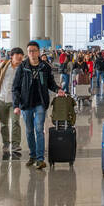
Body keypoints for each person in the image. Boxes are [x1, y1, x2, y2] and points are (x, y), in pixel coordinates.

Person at [13, 40, 63, 169]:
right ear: (27, 52)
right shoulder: (22, 67)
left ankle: (40, 159)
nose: (32, 53)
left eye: (34, 51)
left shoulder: (45, 67)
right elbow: (16, 87)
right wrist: (16, 105)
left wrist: (58, 89)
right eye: (29, 51)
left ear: (39, 52)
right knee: (29, 131)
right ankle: (33, 155)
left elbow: (50, 83)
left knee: (39, 130)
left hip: (40, 102)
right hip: (25, 103)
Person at [0, 48, 24, 158]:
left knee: (15, 122)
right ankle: (6, 143)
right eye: (17, 55)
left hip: (15, 101)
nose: (19, 57)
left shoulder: (23, 68)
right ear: (11, 56)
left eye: (21, 55)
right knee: (4, 124)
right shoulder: (4, 65)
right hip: (1, 99)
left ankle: (15, 145)